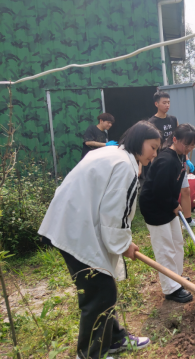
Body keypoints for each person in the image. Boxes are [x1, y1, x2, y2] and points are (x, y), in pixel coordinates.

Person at [38, 120, 160, 359]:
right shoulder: (125, 166)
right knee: (99, 293)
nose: (154, 154)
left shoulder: (112, 153)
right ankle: (90, 354)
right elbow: (114, 212)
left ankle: (114, 338)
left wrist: (121, 243)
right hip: (77, 230)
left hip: (73, 222)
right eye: (153, 147)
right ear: (138, 141)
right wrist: (123, 244)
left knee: (104, 288)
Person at [139, 124, 195, 303]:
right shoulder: (166, 160)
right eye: (186, 145)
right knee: (165, 247)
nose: (189, 149)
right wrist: (174, 204)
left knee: (176, 241)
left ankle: (176, 277)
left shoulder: (179, 156)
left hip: (167, 204)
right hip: (155, 207)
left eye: (192, 146)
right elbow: (159, 190)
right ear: (175, 140)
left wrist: (174, 204)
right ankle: (171, 288)